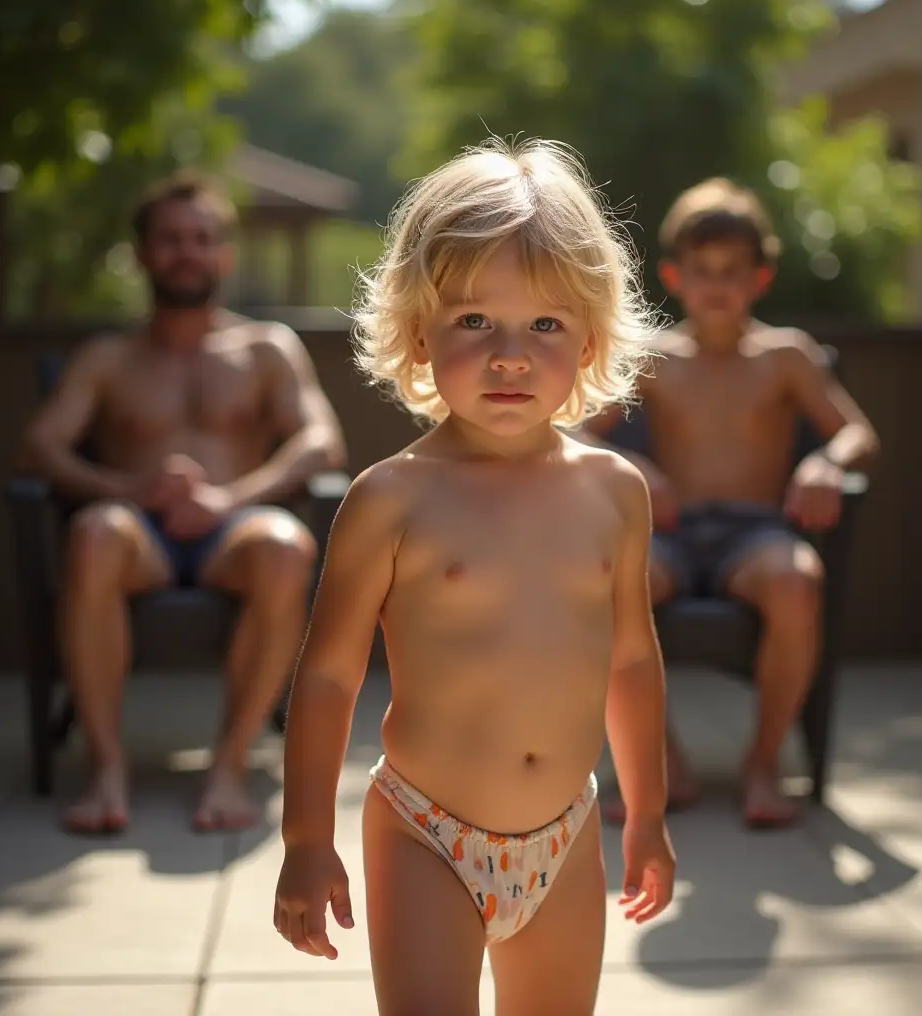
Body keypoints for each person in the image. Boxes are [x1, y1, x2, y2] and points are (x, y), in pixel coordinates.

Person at [273, 139, 677, 1016]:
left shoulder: (615, 493)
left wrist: (646, 813)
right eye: (473, 322)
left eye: (544, 324)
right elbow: (330, 674)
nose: (509, 355)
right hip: (427, 831)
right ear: (419, 331)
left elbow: (633, 662)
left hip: (566, 836)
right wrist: (306, 836)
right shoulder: (391, 499)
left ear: (591, 338)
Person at [20, 171, 347, 835]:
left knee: (288, 547)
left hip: (235, 532)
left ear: (224, 254)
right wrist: (127, 490)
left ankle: (228, 766)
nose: (186, 252)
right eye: (168, 240)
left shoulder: (266, 349)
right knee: (95, 534)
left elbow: (323, 441)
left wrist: (230, 496)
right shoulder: (108, 357)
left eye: (201, 239)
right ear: (141, 254)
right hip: (140, 537)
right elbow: (39, 447)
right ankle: (105, 767)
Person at [582, 177, 879, 829]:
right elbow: (573, 434)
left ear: (760, 279)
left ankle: (763, 763)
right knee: (603, 584)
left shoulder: (786, 356)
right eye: (702, 270)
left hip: (756, 535)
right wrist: (630, 463)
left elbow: (858, 432)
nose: (717, 284)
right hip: (673, 533)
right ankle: (662, 761)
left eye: (733, 271)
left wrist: (827, 462)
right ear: (674, 275)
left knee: (799, 583)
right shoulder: (652, 359)